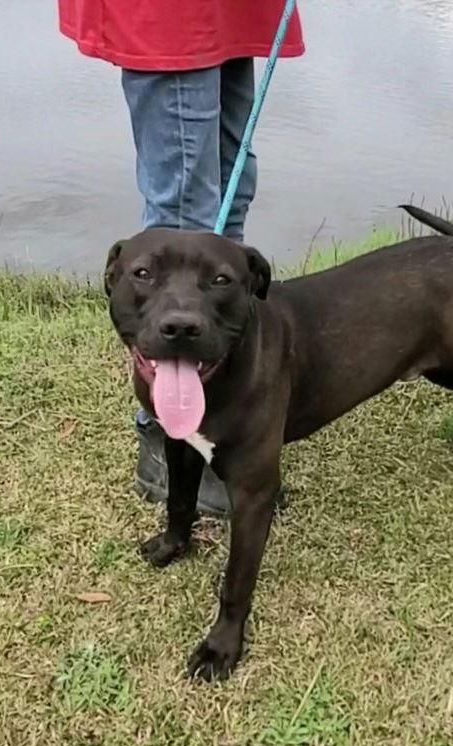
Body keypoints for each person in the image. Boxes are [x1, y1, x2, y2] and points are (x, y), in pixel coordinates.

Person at [58, 0, 305, 514]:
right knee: (184, 213)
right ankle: (164, 437)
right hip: (171, 16)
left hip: (230, 11)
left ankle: (217, 409)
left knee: (231, 201)